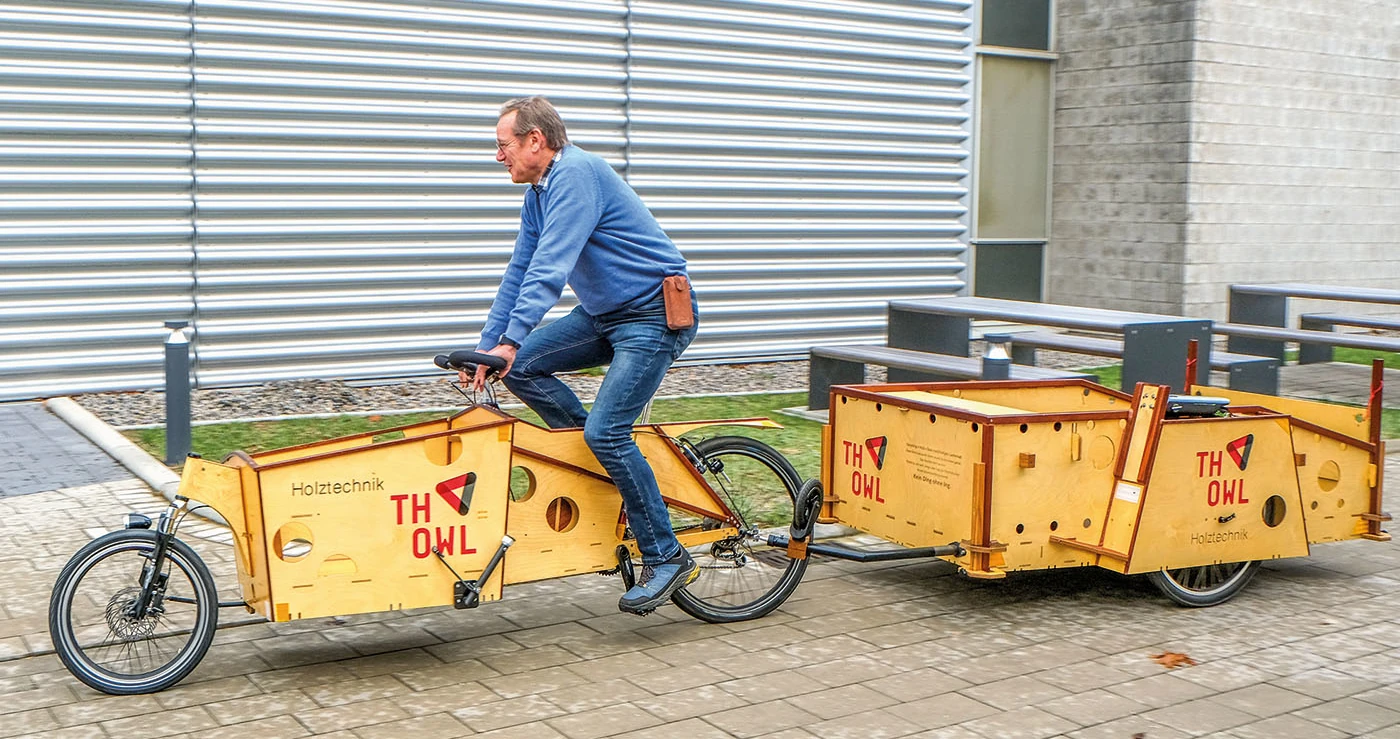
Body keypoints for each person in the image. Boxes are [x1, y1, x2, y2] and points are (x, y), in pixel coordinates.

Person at [466, 96, 701, 614]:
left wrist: (511, 336)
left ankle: (667, 556)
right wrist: (491, 346)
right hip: (604, 315)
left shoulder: (575, 175)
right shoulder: (538, 194)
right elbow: (519, 272)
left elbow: (550, 267)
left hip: (651, 316)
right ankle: (600, 459)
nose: (497, 156)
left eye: (501, 145)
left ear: (534, 140)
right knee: (522, 366)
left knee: (607, 430)